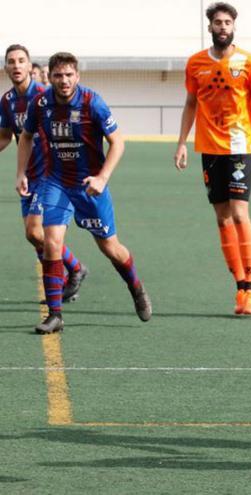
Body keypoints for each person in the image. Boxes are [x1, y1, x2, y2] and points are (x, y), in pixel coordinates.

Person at [15, 52, 151, 334]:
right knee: (50, 241)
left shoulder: (93, 102)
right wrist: (21, 173)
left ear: (77, 76)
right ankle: (55, 315)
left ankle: (136, 287)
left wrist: (102, 177)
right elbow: (26, 137)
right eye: (58, 76)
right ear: (49, 77)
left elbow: (118, 143)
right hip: (55, 182)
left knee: (110, 248)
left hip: (89, 184)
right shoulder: (40, 103)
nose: (64, 81)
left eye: (69, 75)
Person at [174, 2, 251, 315]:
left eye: (227, 22)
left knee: (238, 213)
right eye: (217, 22)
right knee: (221, 217)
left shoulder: (250, 62)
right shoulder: (195, 64)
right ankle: (239, 286)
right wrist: (182, 143)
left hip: (240, 146)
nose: (222, 27)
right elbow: (190, 104)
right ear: (209, 27)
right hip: (209, 148)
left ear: (234, 26)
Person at [1, 45, 89, 303]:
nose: (16, 66)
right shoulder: (7, 101)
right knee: (32, 235)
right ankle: (66, 280)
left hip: (51, 174)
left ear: (30, 66)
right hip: (28, 173)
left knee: (37, 230)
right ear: (6, 67)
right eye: (11, 62)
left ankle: (74, 269)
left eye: (21, 61)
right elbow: (6, 136)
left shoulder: (44, 95)